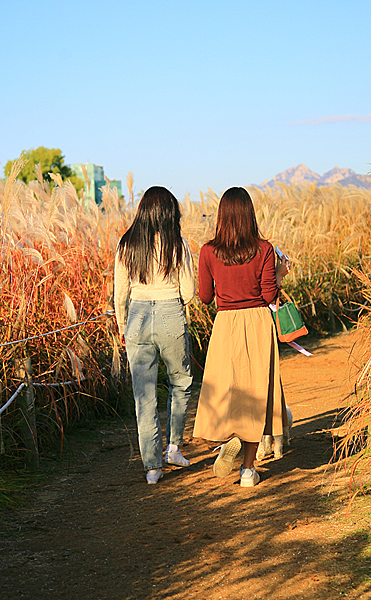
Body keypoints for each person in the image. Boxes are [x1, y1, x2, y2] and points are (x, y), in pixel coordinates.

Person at [192, 186, 289, 487]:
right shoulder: (264, 249)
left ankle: (226, 439)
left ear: (221, 215)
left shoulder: (208, 251)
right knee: (256, 392)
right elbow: (270, 295)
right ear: (249, 214)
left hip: (225, 324)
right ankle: (248, 470)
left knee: (225, 388)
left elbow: (205, 297)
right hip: (258, 321)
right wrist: (281, 273)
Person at [114, 186, 195, 485]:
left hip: (136, 316)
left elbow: (119, 293)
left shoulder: (127, 244)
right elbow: (189, 293)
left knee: (143, 396)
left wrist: (124, 326)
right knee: (181, 382)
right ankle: (173, 447)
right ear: (169, 213)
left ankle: (152, 467)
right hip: (170, 311)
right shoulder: (178, 245)